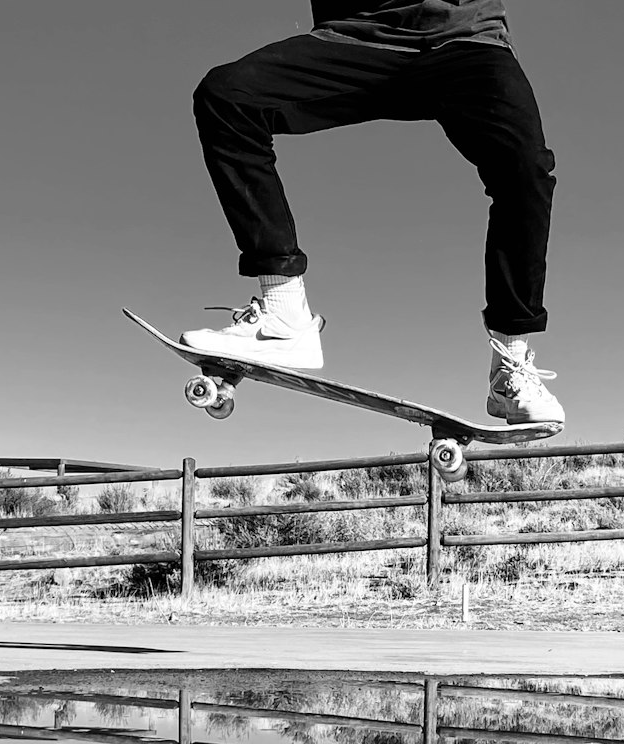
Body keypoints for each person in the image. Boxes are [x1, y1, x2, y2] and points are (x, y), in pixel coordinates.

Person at [182, 2, 564, 426]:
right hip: (356, 39)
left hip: (466, 40)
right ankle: (284, 315)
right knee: (227, 96)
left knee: (526, 171)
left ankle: (510, 366)